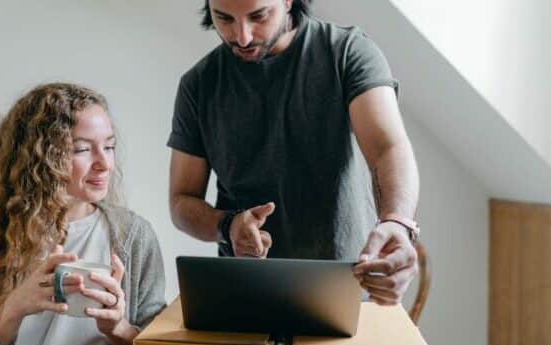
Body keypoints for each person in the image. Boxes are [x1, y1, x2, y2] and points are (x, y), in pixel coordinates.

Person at [168, 0, 420, 305]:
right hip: (245, 292)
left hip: (348, 288)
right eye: (224, 18)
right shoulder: (198, 85)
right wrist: (228, 225)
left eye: (258, 16)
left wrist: (397, 222)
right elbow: (182, 201)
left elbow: (387, 147)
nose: (242, 36)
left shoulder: (347, 52)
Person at [0, 83, 166, 345]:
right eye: (82, 149)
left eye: (109, 146)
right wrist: (12, 310)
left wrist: (118, 328)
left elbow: (159, 344)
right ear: (41, 160)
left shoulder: (133, 237)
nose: (105, 163)